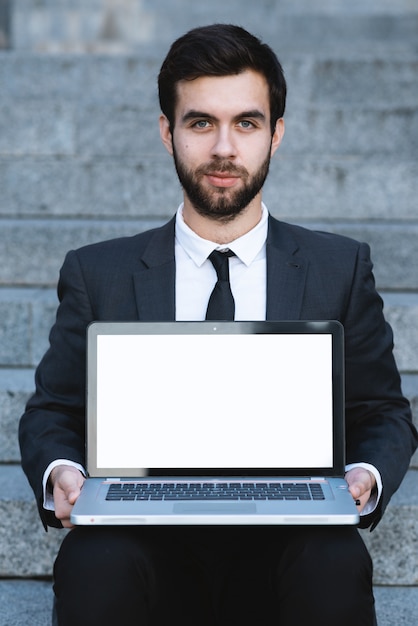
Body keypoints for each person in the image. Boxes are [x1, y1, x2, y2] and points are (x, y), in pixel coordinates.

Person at [19, 24, 417, 626]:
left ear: (276, 134)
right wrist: (64, 474)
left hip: (288, 543)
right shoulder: (97, 272)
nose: (225, 148)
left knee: (332, 557)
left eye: (247, 123)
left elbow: (382, 412)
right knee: (93, 557)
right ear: (167, 131)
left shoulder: (340, 266)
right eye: (201, 122)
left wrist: (363, 475)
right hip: (145, 544)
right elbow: (52, 411)